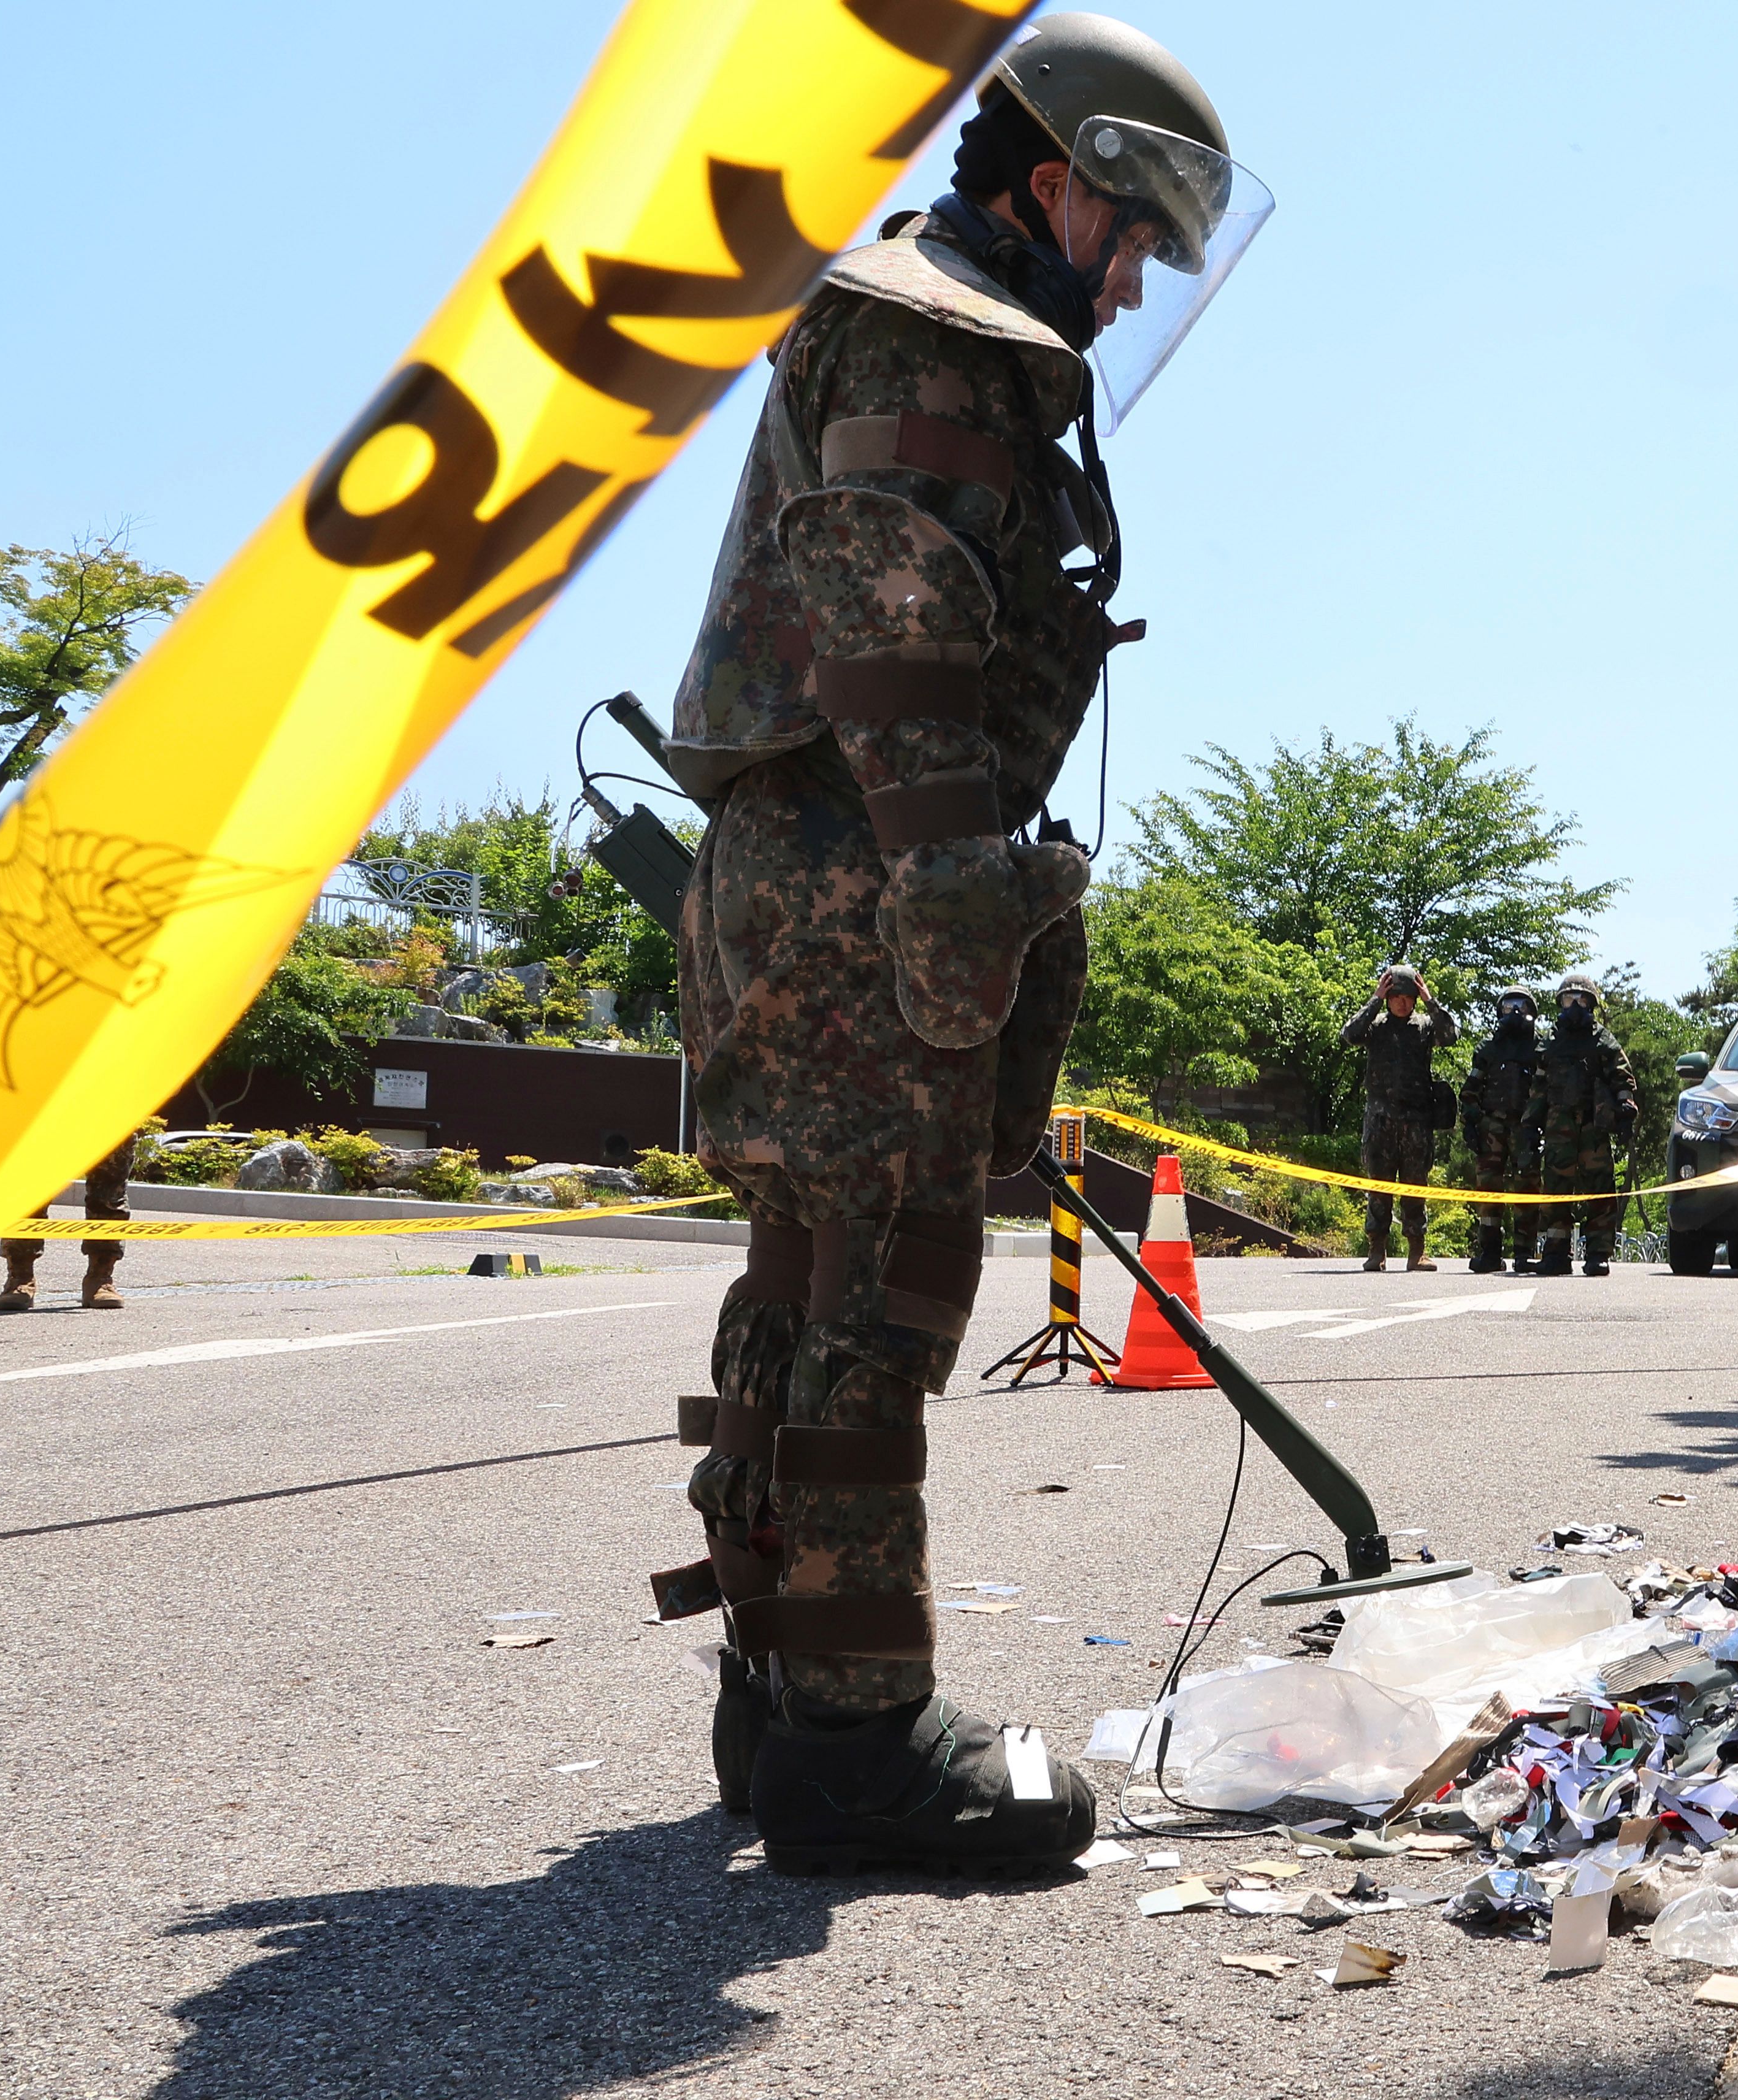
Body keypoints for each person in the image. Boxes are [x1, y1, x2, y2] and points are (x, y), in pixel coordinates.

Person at [648, 13, 1272, 1875]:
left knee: (806, 1270)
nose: (1139, 266)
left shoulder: (923, 313)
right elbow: (889, 603)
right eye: (1132, 223)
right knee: (876, 1283)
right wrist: (951, 879)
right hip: (867, 858)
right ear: (1049, 178)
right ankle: (852, 1739)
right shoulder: (947, 326)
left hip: (820, 849)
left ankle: (781, 1687)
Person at [1341, 964, 1458, 1272]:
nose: (1402, 1003)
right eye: (1395, 997)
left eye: (1407, 997)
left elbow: (1451, 1036)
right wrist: (1375, 999)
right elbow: (1350, 1035)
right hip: (1381, 1119)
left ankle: (1416, 1251)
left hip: (1416, 1120)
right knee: (1378, 1186)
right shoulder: (1376, 1026)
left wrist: (1431, 1000)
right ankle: (1377, 1250)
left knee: (1415, 1186)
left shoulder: (1423, 1026)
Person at [1533, 973, 1636, 1277]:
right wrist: (1530, 1127)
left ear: (1591, 1005)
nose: (1575, 1006)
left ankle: (1598, 1253)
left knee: (1600, 1189)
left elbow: (1622, 1077)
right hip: (1558, 1127)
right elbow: (1538, 1089)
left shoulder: (1603, 1039)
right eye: (1569, 1000)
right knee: (1555, 1189)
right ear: (1560, 1004)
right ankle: (1556, 1253)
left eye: (1582, 1000)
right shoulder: (1550, 1042)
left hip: (1594, 1126)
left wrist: (1626, 1110)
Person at [1460, 986, 1544, 1274]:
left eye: (1521, 1006)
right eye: (1509, 1007)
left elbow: (1549, 1092)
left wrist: (1542, 1128)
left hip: (1527, 1127)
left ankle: (1524, 1253)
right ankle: (1490, 1252)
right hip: (1492, 1126)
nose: (1516, 1013)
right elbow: (1470, 1090)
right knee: (1488, 1191)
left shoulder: (1540, 1049)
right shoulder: (1489, 1048)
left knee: (1527, 1189)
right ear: (1499, 1012)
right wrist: (1470, 1123)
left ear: (1532, 1011)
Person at [0, 1132, 132, 1312]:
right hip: (45, 1109)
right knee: (26, 1189)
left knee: (110, 1195)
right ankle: (20, 1278)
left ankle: (100, 1278)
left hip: (108, 1108)